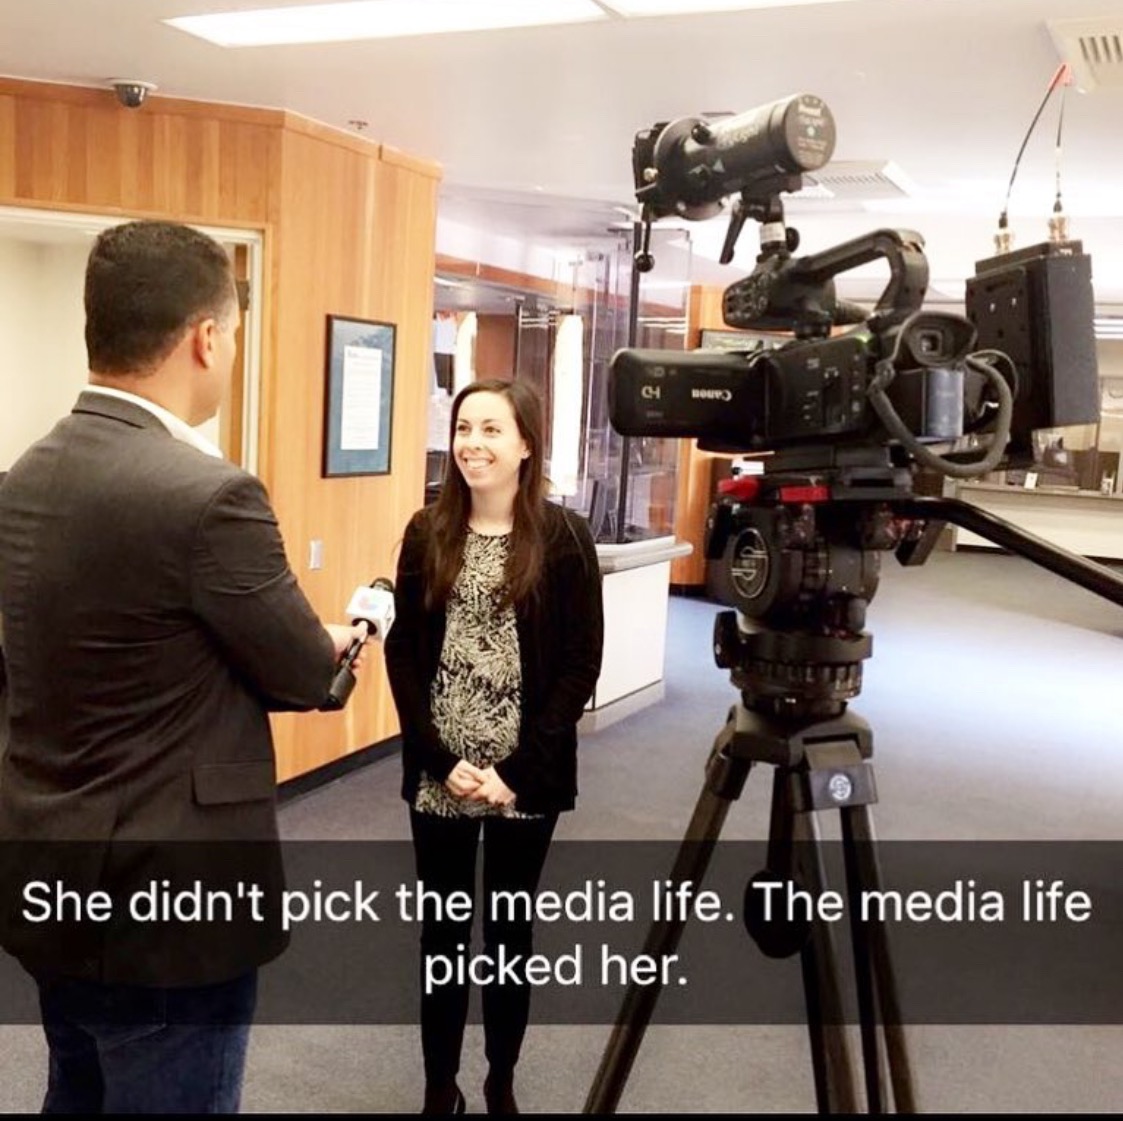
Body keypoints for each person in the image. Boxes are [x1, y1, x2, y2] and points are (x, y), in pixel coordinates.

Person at [0, 220, 363, 1113]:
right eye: (234, 333)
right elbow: (302, 675)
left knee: (74, 1090)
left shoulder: (22, 480)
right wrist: (340, 642)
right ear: (206, 336)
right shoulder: (210, 496)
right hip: (171, 912)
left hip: (51, 877)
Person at [384, 378, 604, 1115]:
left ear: (525, 445)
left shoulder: (565, 538)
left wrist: (514, 773)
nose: (472, 443)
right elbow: (404, 654)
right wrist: (440, 760)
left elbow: (579, 664)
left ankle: (500, 1079)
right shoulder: (427, 531)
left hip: (525, 778)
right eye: (463, 427)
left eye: (490, 429)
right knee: (442, 935)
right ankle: (438, 1086)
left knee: (509, 931)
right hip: (439, 773)